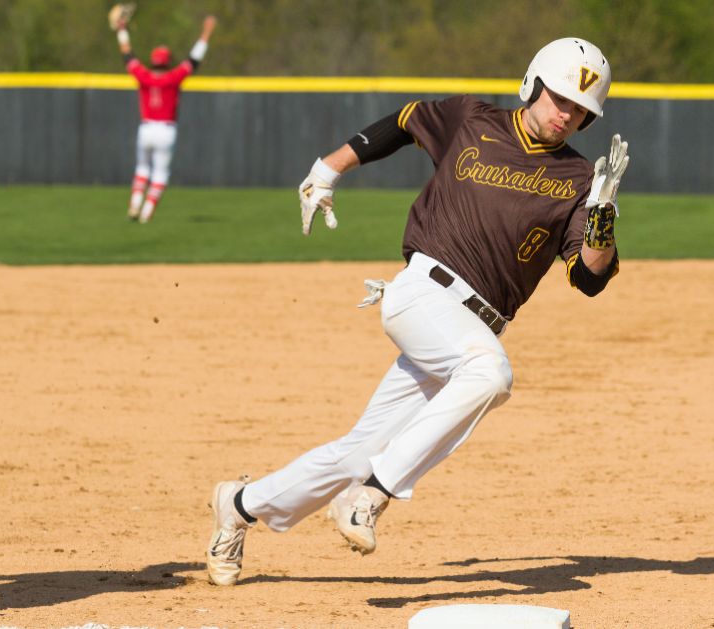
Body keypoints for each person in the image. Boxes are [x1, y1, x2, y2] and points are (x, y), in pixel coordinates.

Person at [204, 37, 629, 586]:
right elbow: (404, 122)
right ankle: (375, 494)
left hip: (471, 327)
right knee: (491, 374)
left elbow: (588, 278)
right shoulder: (472, 117)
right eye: (561, 99)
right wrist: (328, 169)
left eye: (581, 111)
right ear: (534, 84)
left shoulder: (577, 180)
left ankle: (239, 505)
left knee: (356, 452)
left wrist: (602, 216)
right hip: (422, 292)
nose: (567, 115)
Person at [114, 14, 216, 223]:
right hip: (166, 130)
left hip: (146, 128)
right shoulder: (173, 77)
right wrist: (206, 32)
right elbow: (193, 60)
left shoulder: (143, 75)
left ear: (153, 60)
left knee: (142, 168)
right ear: (167, 61)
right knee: (160, 173)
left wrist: (121, 29)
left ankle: (134, 203)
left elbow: (127, 54)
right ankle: (147, 211)